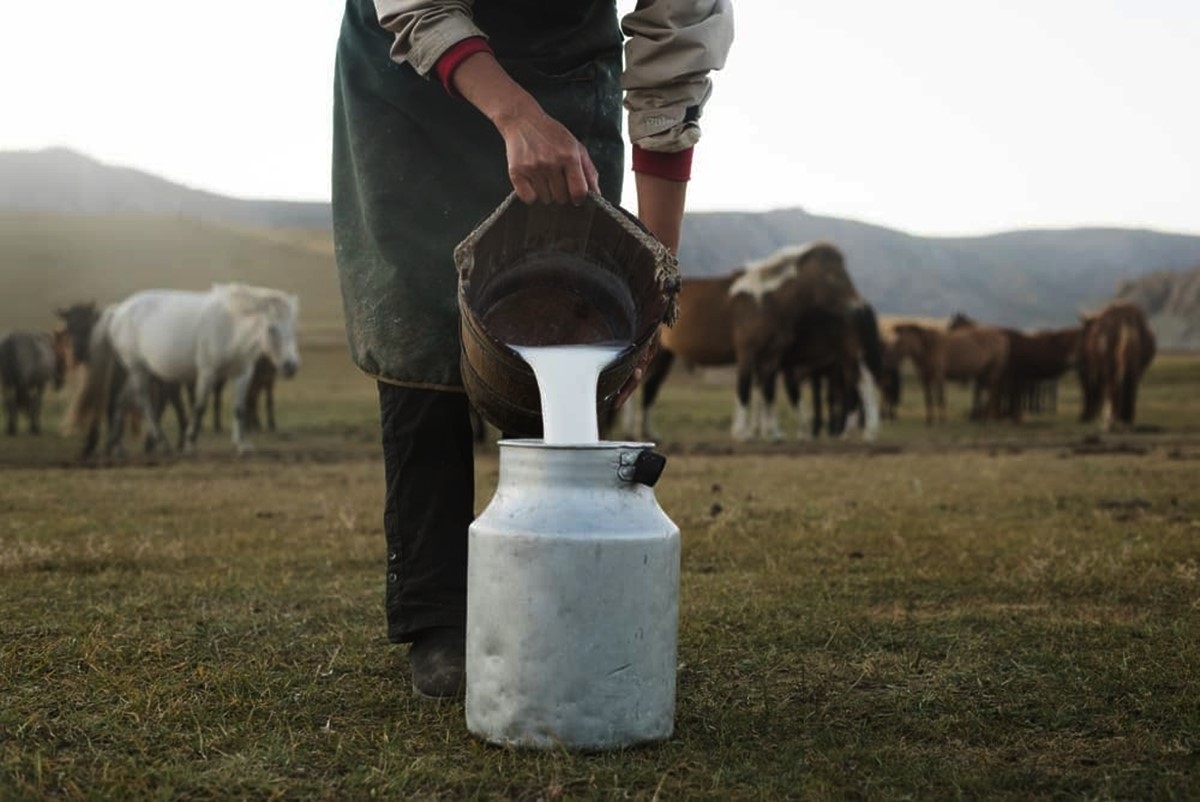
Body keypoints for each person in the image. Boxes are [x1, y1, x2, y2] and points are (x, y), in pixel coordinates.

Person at [332, 0, 734, 699]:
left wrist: (654, 278)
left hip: (565, 67)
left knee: (578, 297)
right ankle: (439, 616)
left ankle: (555, 589)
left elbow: (674, 62)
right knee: (421, 319)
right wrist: (515, 116)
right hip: (415, 75)